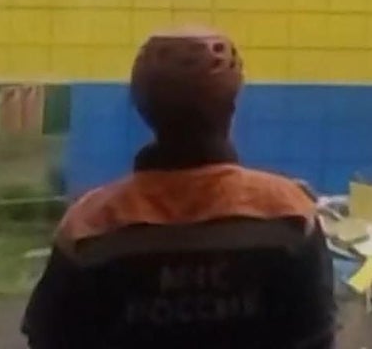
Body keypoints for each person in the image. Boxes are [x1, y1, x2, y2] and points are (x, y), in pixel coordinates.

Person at [22, 28, 335, 349]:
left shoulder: (90, 225)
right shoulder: (288, 214)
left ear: (143, 108)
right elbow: (315, 338)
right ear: (231, 107)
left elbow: (48, 338)